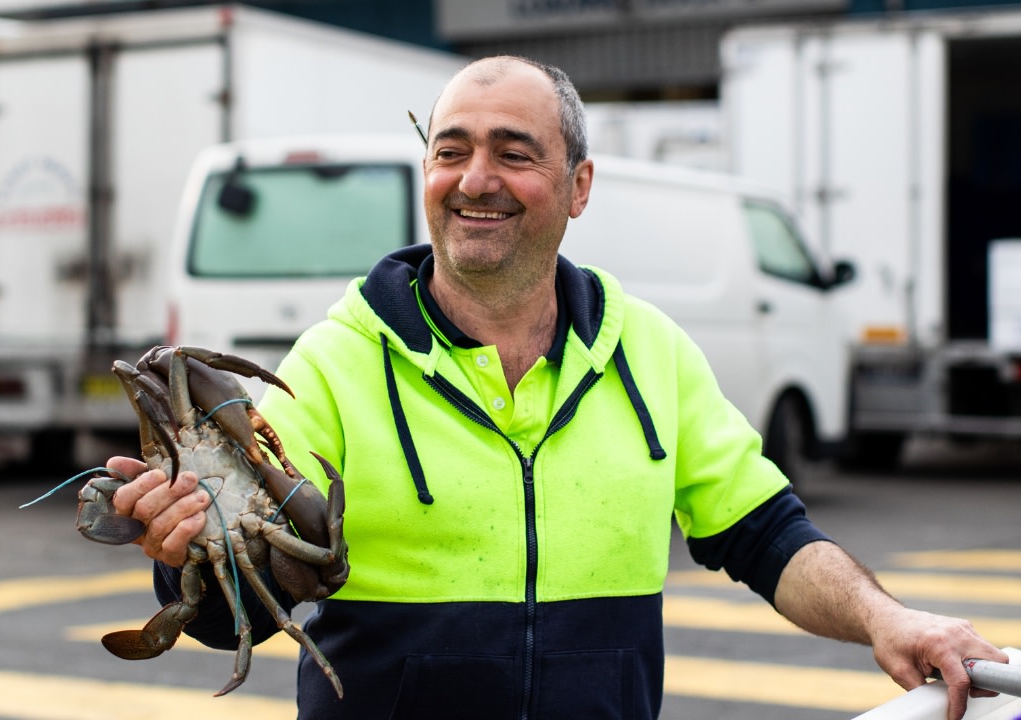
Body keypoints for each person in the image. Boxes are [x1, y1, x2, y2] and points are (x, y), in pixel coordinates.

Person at [106, 55, 1005, 720]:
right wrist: (183, 550)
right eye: (451, 151)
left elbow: (768, 535)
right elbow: (245, 602)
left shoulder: (651, 352)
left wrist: (890, 621)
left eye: (513, 153)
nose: (476, 180)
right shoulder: (334, 364)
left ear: (578, 186)